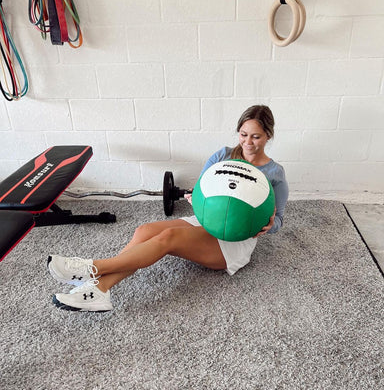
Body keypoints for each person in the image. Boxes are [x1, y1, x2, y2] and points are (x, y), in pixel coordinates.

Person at [48, 105, 289, 312]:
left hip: (234, 240)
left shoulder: (274, 173)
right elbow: (202, 191)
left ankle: (92, 269)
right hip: (205, 221)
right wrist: (196, 198)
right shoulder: (223, 155)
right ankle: (98, 290)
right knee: (144, 230)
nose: (248, 142)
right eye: (243, 134)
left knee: (169, 237)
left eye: (255, 137)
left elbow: (277, 219)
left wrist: (268, 226)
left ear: (268, 136)